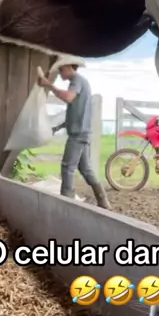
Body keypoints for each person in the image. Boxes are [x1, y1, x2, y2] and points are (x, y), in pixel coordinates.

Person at [37, 56, 111, 210]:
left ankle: (67, 204)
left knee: (67, 167)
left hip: (78, 134)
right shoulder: (81, 82)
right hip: (84, 132)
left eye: (61, 69)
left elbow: (68, 97)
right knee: (85, 169)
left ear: (70, 67)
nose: (60, 73)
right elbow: (77, 112)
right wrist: (59, 127)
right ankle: (103, 201)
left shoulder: (76, 80)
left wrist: (48, 85)